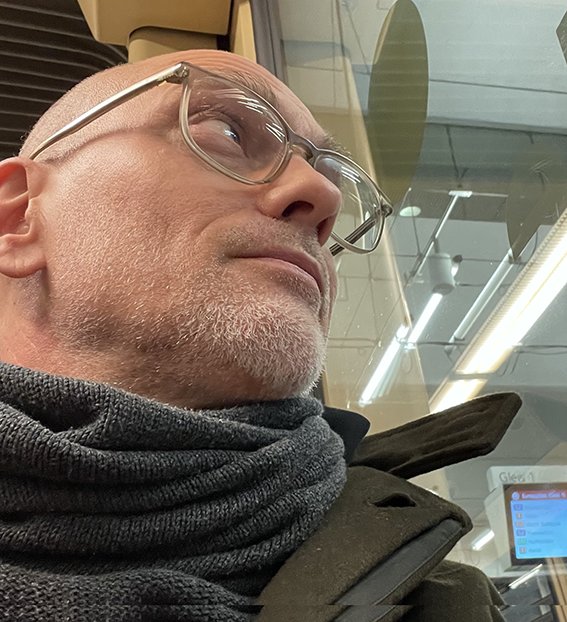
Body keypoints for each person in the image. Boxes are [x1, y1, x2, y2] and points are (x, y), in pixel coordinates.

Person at [0, 49, 520, 621]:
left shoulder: (447, 601)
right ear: (17, 218)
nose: (324, 198)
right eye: (226, 131)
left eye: (332, 179)